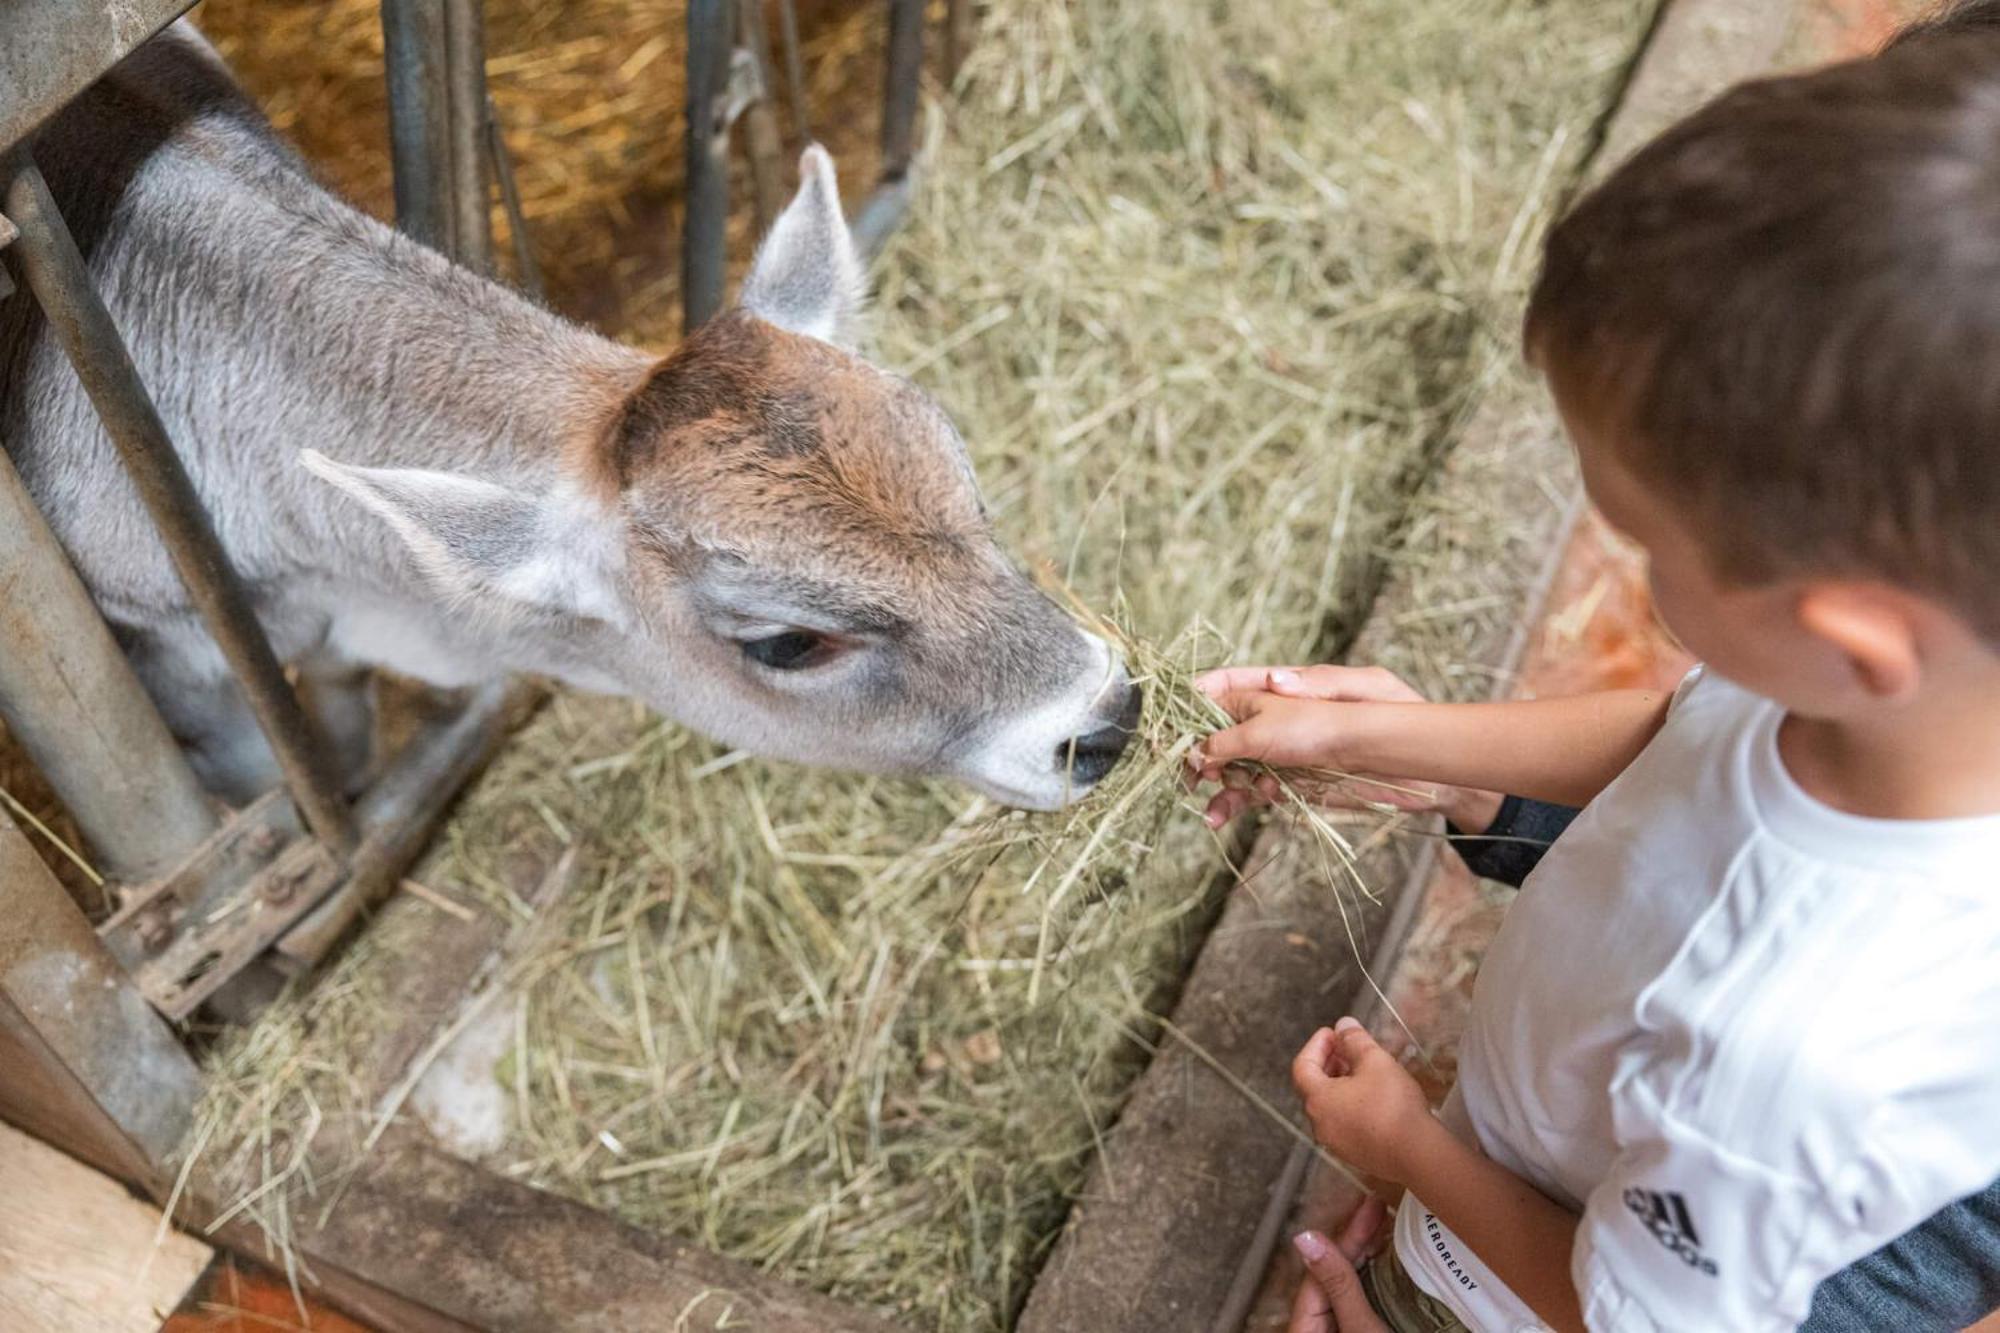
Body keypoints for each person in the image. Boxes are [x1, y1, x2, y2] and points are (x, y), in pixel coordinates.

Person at [1192, 27, 2000, 1333]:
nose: (1630, 572)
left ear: (1852, 639)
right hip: (1554, 1139)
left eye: (1650, 546)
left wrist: (1411, 1152)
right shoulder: (1924, 693)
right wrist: (1423, 747)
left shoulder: (1795, 1063)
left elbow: (1628, 1316)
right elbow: (1684, 731)